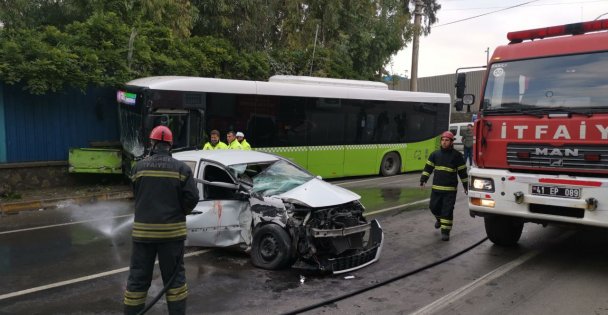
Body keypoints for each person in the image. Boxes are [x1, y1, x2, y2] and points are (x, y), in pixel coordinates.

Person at [123, 125, 199, 315]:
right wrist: (181, 211)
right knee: (175, 282)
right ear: (170, 145)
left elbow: (137, 194)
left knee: (138, 280)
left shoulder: (138, 168)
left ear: (152, 143)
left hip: (143, 234)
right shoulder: (182, 169)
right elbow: (193, 198)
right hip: (172, 235)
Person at [420, 131, 468, 241]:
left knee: (447, 210)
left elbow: (462, 173)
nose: (444, 142)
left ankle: (445, 232)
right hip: (436, 188)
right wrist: (423, 180)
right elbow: (428, 169)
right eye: (443, 140)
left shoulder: (457, 156)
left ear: (451, 142)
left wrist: (466, 185)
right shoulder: (435, 155)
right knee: (433, 207)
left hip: (450, 190)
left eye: (447, 140)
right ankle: (439, 220)